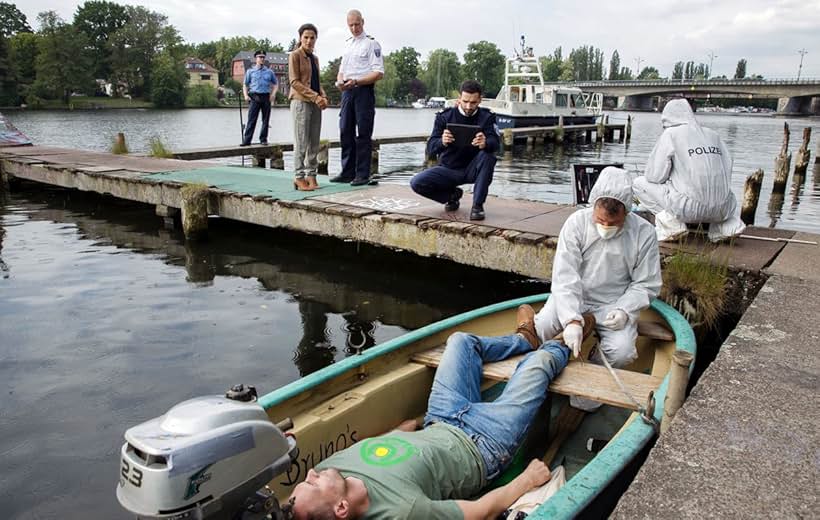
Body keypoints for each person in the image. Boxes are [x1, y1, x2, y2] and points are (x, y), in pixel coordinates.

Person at [285, 308, 596, 520]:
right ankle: (568, 340)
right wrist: (525, 481)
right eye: (312, 484)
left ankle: (522, 339)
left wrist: (403, 430)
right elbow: (479, 512)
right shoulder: (401, 511)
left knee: (461, 342)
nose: (311, 473)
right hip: (485, 445)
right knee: (538, 365)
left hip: (442, 418)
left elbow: (371, 449)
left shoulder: (330, 469)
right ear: (341, 508)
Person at [534, 166, 662, 411]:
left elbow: (646, 283)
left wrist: (625, 309)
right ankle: (541, 379)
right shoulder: (576, 223)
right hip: (575, 297)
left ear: (627, 212)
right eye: (600, 220)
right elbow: (565, 276)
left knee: (623, 350)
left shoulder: (644, 233)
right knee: (542, 326)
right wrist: (572, 319)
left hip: (613, 303)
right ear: (593, 207)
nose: (605, 226)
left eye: (613, 222)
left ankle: (585, 395)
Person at [633, 99, 746, 242]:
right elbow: (727, 169)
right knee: (716, 192)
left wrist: (671, 179)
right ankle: (725, 226)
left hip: (688, 208)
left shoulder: (671, 134)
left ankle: (671, 226)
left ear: (667, 117)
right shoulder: (713, 135)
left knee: (639, 183)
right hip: (725, 207)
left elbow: (654, 176)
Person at [409, 80, 499, 221]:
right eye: (465, 101)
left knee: (488, 156)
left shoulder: (487, 117)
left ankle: (477, 206)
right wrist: (442, 141)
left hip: (473, 168)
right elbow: (431, 147)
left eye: (473, 102)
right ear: (459, 98)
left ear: (480, 100)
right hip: (448, 168)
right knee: (417, 182)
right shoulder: (444, 116)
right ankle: (452, 196)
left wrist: (485, 143)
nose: (469, 106)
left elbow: (496, 143)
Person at [329, 9, 384, 186]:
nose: (354, 28)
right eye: (351, 25)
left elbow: (378, 73)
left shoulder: (372, 44)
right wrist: (340, 82)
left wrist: (357, 81)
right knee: (345, 130)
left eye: (357, 24)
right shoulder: (348, 44)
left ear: (363, 22)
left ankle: (362, 174)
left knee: (363, 133)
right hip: (347, 91)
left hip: (363, 91)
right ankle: (347, 171)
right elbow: (341, 70)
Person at [289, 23, 329, 191]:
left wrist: (323, 97)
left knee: (314, 141)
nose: (309, 40)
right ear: (300, 38)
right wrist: (315, 97)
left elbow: (316, 83)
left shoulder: (315, 58)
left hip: (315, 103)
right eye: (306, 37)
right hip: (301, 102)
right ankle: (299, 177)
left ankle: (312, 176)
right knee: (301, 141)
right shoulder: (295, 55)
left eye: (312, 38)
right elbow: (294, 82)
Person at [241, 49, 279, 146]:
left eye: (263, 57)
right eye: (259, 57)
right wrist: (245, 95)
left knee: (265, 120)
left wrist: (273, 94)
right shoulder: (250, 71)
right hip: (254, 96)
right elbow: (245, 84)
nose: (261, 59)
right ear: (256, 58)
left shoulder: (269, 72)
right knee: (251, 119)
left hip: (265, 97)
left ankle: (263, 139)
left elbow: (275, 84)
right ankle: (247, 140)